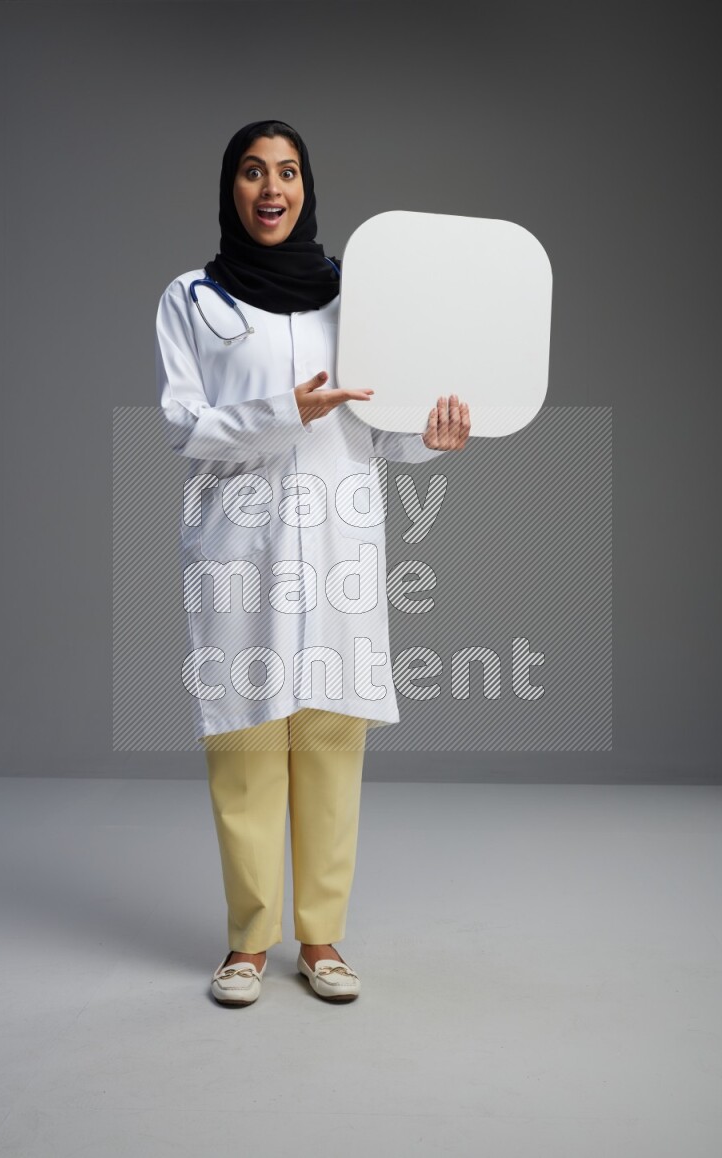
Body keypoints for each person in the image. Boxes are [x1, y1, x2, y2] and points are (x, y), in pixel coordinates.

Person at [155, 119, 470, 1006]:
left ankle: (322, 940)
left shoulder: (355, 298)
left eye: (287, 172)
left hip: (338, 543)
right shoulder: (192, 298)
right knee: (247, 743)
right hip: (240, 547)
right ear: (231, 188)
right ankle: (248, 944)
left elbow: (384, 432)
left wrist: (433, 439)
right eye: (253, 172)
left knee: (331, 741)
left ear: (307, 187)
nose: (270, 189)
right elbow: (185, 427)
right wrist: (279, 410)